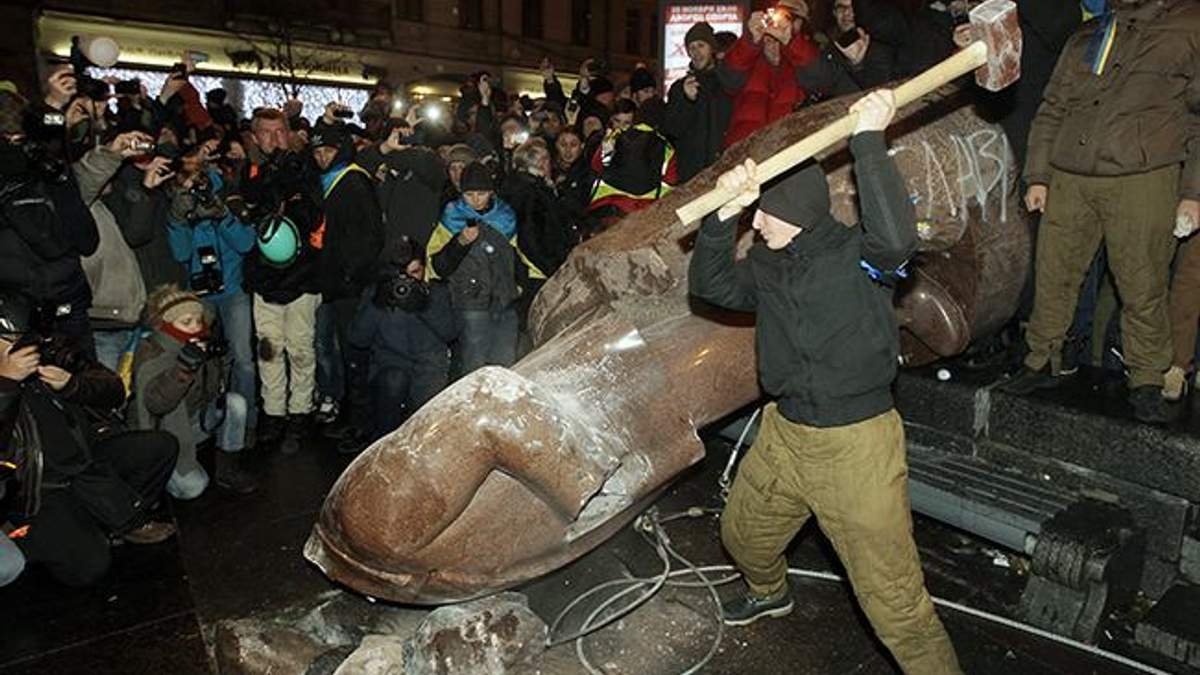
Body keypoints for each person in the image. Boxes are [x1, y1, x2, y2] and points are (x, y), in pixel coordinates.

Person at [688, 90, 961, 674]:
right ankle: (769, 593)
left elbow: (896, 240)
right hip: (786, 434)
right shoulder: (769, 262)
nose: (757, 223)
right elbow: (711, 287)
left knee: (896, 606)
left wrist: (868, 140)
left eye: (765, 213)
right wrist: (722, 216)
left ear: (797, 214)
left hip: (855, 446)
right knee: (743, 537)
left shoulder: (860, 258)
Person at [1001, 0, 1200, 425]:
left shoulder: (1189, 25)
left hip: (1143, 174)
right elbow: (1053, 105)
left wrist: (1193, 193)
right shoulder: (1091, 33)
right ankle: (1042, 359)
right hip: (1070, 173)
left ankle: (1146, 378)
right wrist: (1038, 176)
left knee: (1142, 282)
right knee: (1053, 273)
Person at [0, 291, 178, 587]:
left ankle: (109, 521)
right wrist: (6, 383)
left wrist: (73, 384)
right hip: (38, 489)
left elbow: (114, 391)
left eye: (26, 337)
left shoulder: (48, 348)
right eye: (12, 340)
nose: (24, 347)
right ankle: (35, 537)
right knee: (90, 567)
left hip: (86, 460)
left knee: (159, 447)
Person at [235, 107, 323, 453]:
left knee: (301, 348)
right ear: (255, 137)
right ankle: (273, 413)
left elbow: (311, 215)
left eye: (280, 131)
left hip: (302, 276)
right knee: (268, 349)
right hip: (264, 277)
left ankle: (300, 412)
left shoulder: (305, 168)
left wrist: (288, 177)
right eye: (267, 132)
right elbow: (247, 210)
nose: (275, 139)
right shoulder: (249, 171)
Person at [165, 146, 260, 437]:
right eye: (187, 178)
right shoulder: (177, 206)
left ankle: (245, 424)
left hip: (232, 290)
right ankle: (201, 424)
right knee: (199, 359)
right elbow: (181, 254)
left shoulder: (226, 197)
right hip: (199, 294)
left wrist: (222, 216)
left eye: (198, 176)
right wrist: (179, 220)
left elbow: (246, 243)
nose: (194, 185)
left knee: (243, 360)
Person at [131, 285, 258, 496]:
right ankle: (163, 471)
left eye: (198, 320)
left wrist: (219, 359)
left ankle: (227, 468)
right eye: (186, 322)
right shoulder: (152, 351)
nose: (195, 327)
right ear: (166, 323)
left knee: (235, 403)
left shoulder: (201, 342)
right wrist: (182, 369)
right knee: (193, 488)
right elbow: (156, 405)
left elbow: (216, 388)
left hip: (197, 416)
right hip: (166, 431)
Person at [0, 85, 100, 354]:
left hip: (68, 304)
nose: (19, 149)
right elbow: (49, 244)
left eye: (22, 140)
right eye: (10, 140)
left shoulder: (48, 168)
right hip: (15, 314)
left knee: (85, 376)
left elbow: (87, 241)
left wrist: (59, 179)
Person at [310, 121, 384, 453]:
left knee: (356, 356)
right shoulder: (333, 180)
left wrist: (351, 276)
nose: (322, 157)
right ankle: (353, 417)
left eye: (328, 151)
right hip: (338, 283)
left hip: (350, 287)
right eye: (317, 152)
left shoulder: (352, 181)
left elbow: (369, 237)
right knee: (344, 354)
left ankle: (362, 425)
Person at [426, 162, 532, 376]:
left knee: (505, 363)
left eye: (481, 193)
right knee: (474, 363)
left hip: (505, 300)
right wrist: (460, 242)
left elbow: (518, 256)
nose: (475, 200)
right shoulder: (452, 217)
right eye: (469, 194)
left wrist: (520, 284)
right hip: (470, 303)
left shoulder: (505, 217)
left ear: (491, 192)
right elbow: (437, 265)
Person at [349, 243, 455, 441]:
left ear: (424, 269)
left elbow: (450, 333)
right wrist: (377, 304)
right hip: (391, 366)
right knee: (394, 382)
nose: (407, 281)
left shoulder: (436, 292)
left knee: (426, 430)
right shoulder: (379, 293)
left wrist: (424, 306)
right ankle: (384, 442)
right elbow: (358, 339)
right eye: (401, 274)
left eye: (415, 272)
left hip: (430, 368)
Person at [718, 0, 821, 147]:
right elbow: (727, 79)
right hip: (746, 150)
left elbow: (821, 78)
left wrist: (791, 43)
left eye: (792, 19)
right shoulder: (749, 58)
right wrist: (750, 41)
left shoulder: (806, 59)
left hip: (790, 150)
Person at [664, 22, 735, 183]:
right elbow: (672, 130)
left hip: (725, 172)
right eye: (692, 48)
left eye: (701, 46)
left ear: (712, 48)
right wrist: (687, 101)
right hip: (691, 175)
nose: (696, 52)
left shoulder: (727, 83)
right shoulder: (679, 88)